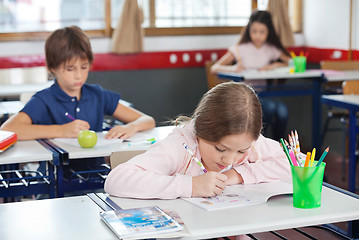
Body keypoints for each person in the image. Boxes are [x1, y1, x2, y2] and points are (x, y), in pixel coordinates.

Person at [1, 26, 155, 183]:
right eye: (70, 69)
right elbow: (8, 129)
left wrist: (130, 127)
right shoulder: (45, 99)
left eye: (84, 66)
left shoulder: (97, 95)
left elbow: (147, 120)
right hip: (55, 182)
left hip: (97, 180)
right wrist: (61, 130)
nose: (79, 75)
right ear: (52, 68)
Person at [105, 82, 291, 199]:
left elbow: (299, 163)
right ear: (201, 131)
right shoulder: (180, 146)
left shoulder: (246, 140)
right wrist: (191, 186)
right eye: (220, 149)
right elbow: (116, 180)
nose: (230, 160)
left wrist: (238, 174)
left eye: (242, 152)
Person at [211, 10, 291, 141]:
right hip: (245, 97)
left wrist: (274, 65)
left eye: (262, 32)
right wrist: (233, 68)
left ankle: (279, 147)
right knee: (269, 108)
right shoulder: (240, 48)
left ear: (268, 32)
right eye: (254, 31)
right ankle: (257, 143)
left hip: (265, 94)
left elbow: (291, 62)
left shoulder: (270, 48)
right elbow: (215, 68)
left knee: (282, 111)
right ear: (248, 30)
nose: (257, 35)